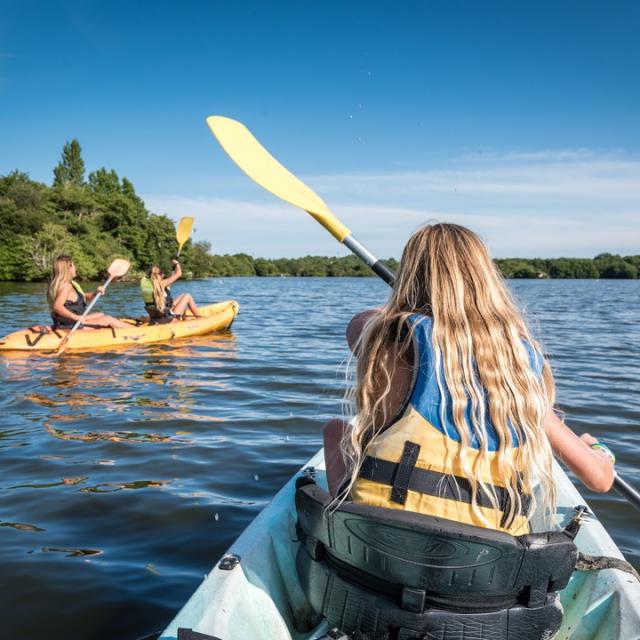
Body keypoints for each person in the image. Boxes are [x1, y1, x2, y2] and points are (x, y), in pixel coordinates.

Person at [324, 223, 614, 535]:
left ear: (410, 278)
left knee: (336, 431)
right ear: (486, 280)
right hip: (483, 565)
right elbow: (600, 479)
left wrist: (401, 304)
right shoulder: (516, 369)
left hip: (381, 544)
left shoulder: (393, 341)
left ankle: (337, 529)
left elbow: (356, 328)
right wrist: (596, 448)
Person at [48, 255, 128, 330]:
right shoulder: (66, 286)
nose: (75, 268)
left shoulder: (58, 284)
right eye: (74, 265)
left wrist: (96, 293)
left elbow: (82, 297)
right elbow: (57, 307)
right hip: (73, 325)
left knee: (100, 314)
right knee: (109, 319)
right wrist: (76, 317)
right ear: (69, 268)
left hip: (65, 322)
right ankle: (136, 331)